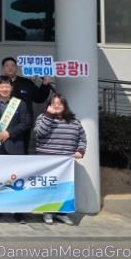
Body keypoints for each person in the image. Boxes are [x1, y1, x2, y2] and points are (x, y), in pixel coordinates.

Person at [0, 76, 31, 223]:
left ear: (11, 88)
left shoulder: (20, 104)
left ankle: (19, 212)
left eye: (7, 86)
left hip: (14, 146)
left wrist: (9, 133)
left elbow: (26, 123)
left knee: (17, 179)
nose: (4, 89)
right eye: (1, 86)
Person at [34, 94, 86, 226]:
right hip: (47, 160)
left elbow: (82, 139)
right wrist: (49, 116)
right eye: (54, 103)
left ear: (65, 106)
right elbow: (39, 133)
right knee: (49, 187)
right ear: (49, 105)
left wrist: (80, 151)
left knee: (64, 188)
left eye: (60, 103)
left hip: (66, 163)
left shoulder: (75, 121)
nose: (57, 106)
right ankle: (47, 212)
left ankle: (62, 213)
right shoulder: (42, 117)